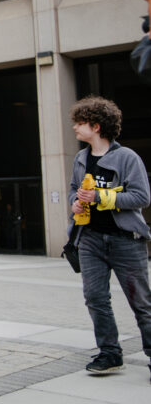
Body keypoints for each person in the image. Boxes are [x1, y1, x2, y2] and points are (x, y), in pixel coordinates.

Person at [67, 96, 151, 382]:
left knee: (141, 302)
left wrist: (101, 196)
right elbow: (72, 190)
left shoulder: (127, 158)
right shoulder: (81, 159)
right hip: (89, 239)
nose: (75, 128)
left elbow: (142, 197)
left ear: (96, 125)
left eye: (80, 123)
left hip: (125, 240)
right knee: (95, 298)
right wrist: (74, 203)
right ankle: (110, 353)